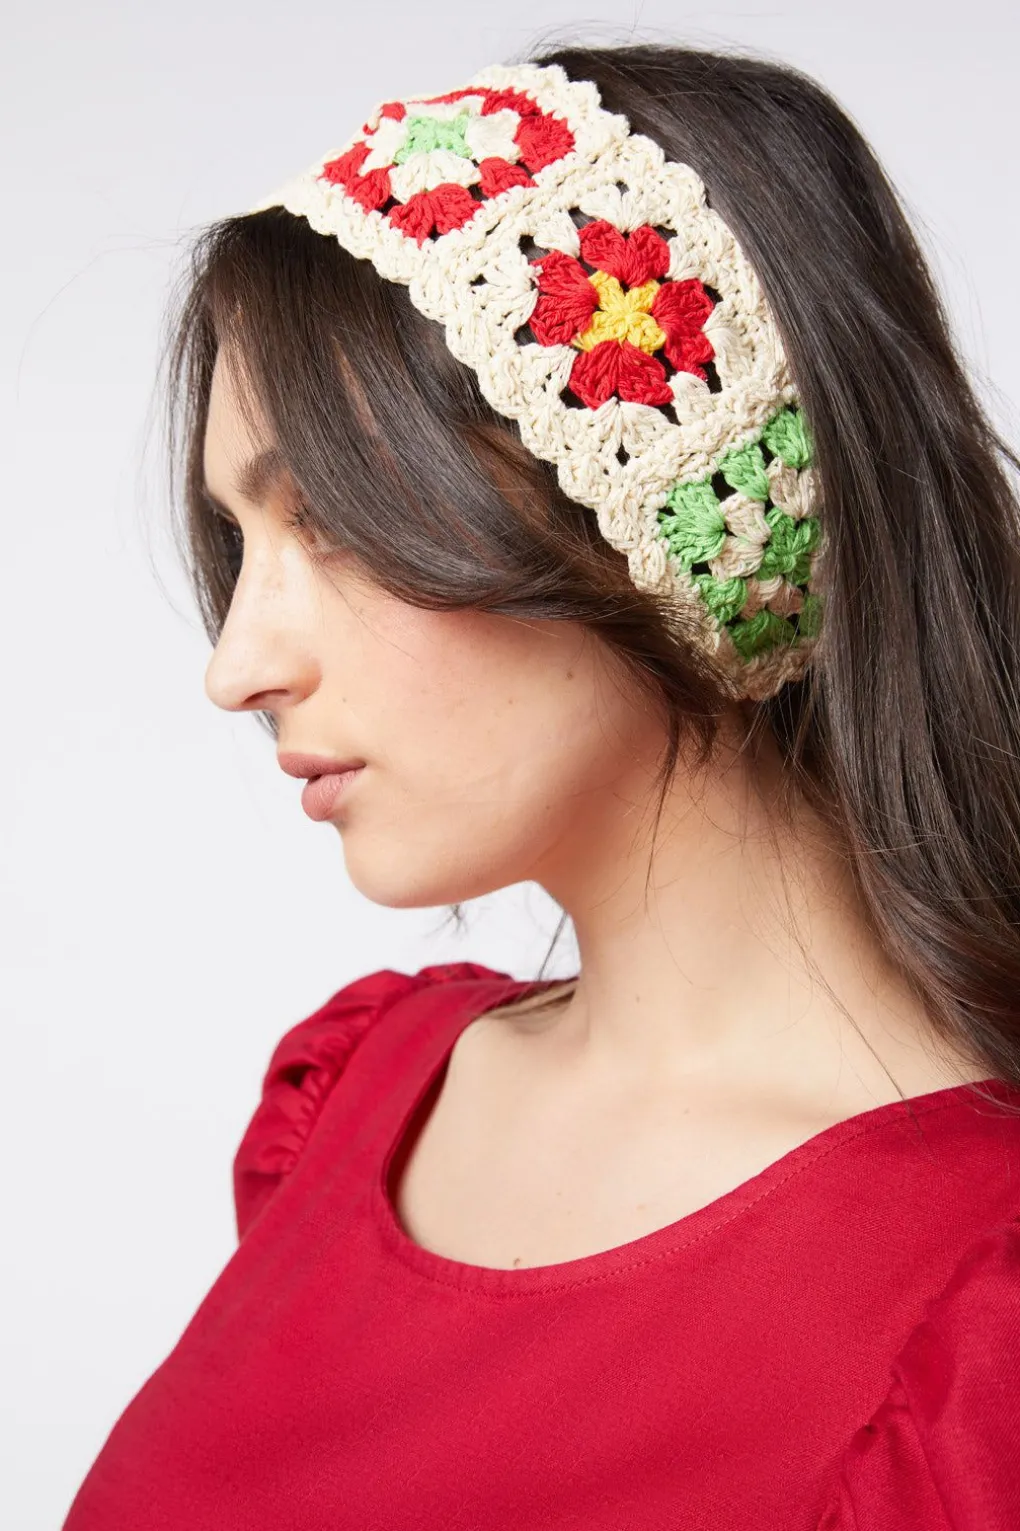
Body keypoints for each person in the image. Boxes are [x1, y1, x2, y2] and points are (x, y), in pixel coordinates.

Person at [62, 40, 1020, 1531]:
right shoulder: (358, 1098)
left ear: (678, 529)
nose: (237, 667)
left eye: (334, 523)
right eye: (240, 544)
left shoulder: (972, 1327)